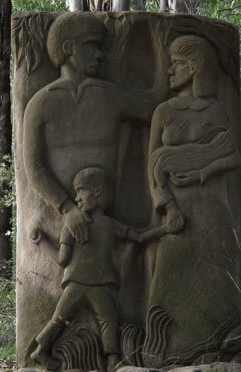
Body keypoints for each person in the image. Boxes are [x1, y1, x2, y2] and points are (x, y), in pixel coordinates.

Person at [143, 35, 241, 367]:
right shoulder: (164, 111)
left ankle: (219, 348)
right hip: (176, 213)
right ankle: (166, 350)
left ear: (195, 68)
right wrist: (168, 206)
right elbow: (152, 166)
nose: (170, 72)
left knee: (216, 280)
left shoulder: (215, 109)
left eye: (177, 65)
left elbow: (231, 156)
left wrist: (201, 172)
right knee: (168, 275)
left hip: (212, 212)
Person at [23, 12, 166, 245]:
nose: (100, 54)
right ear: (68, 47)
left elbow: (155, 108)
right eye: (91, 45)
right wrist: (68, 209)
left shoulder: (109, 96)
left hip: (111, 222)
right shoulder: (40, 104)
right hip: (70, 223)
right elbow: (35, 167)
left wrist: (162, 50)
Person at [30, 167, 167, 372]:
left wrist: (164, 229)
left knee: (108, 319)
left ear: (98, 192)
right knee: (59, 317)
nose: (76, 199)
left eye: (81, 192)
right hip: (76, 282)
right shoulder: (71, 226)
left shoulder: (109, 225)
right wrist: (41, 241)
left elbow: (138, 237)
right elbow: (62, 259)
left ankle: (112, 359)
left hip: (100, 283)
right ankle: (40, 351)